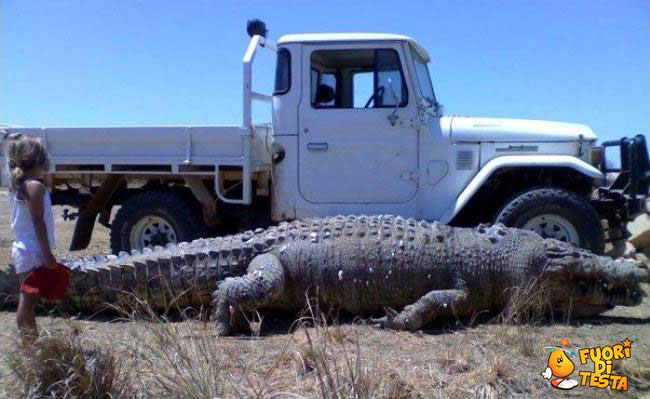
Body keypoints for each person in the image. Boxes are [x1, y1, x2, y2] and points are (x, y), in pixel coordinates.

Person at [5, 133, 56, 340]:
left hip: (24, 249)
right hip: (33, 251)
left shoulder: (18, 184)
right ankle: (31, 348)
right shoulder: (35, 186)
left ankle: (31, 345)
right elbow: (38, 222)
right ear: (39, 161)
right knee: (27, 302)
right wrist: (47, 255)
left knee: (28, 301)